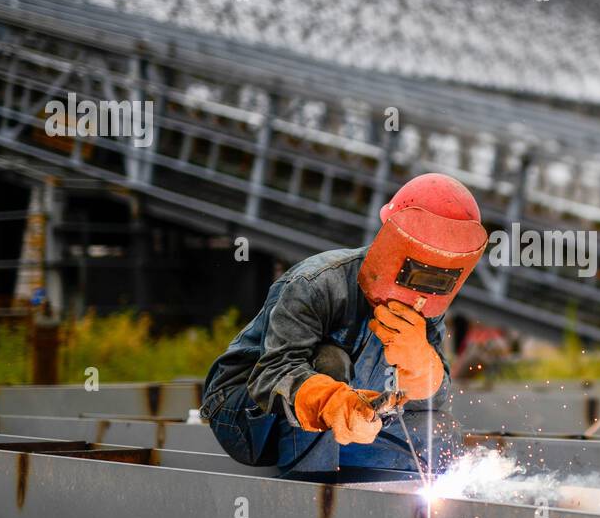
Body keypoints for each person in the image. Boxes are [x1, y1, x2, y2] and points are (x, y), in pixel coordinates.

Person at [200, 173, 487, 474]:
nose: (421, 293)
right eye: (418, 270)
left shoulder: (427, 307)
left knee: (440, 430)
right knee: (329, 363)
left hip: (349, 426)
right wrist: (332, 402)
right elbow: (273, 373)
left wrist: (424, 370)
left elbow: (434, 403)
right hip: (246, 416)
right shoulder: (317, 283)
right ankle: (314, 501)